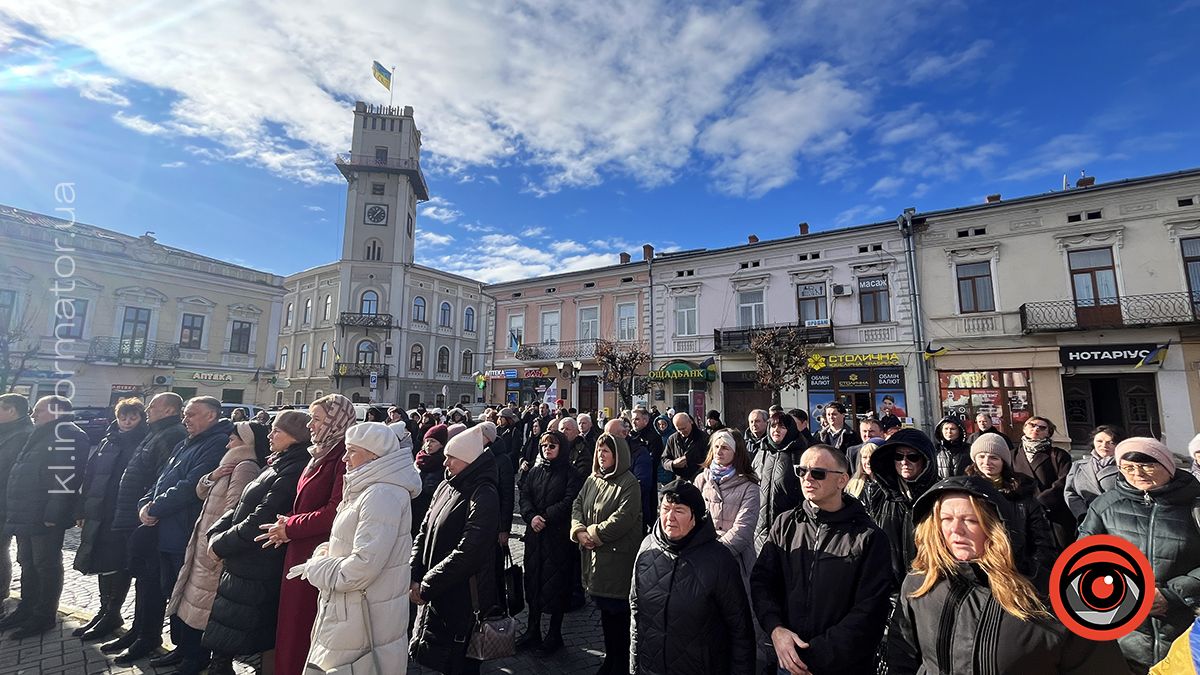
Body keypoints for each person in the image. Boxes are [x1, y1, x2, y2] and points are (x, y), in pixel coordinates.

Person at [889, 475, 1128, 674]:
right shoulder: (920, 584)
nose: (955, 530)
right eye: (946, 519)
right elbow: (903, 659)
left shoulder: (1054, 595)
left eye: (970, 520)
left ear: (996, 526)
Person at [288, 421, 421, 675]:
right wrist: (325, 552)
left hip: (361, 614)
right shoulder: (368, 487)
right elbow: (349, 543)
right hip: (353, 611)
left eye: (352, 451)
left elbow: (361, 567)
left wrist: (317, 569)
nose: (345, 458)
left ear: (373, 454)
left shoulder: (381, 494)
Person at [751, 444, 895, 675]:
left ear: (842, 480)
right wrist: (776, 630)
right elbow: (763, 582)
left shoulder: (868, 537)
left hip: (844, 665)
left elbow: (870, 611)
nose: (807, 478)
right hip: (788, 658)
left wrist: (813, 656)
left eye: (818, 473)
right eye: (802, 471)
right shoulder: (785, 523)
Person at [120, 396, 230, 666]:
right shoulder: (186, 442)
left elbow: (190, 486)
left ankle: (195, 655)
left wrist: (155, 508)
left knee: (189, 595)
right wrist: (145, 503)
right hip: (165, 530)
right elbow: (161, 480)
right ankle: (181, 649)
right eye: (186, 414)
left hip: (184, 531)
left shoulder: (215, 443)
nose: (185, 419)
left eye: (192, 414)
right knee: (172, 591)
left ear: (211, 417)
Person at [202, 411, 311, 675]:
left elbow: (261, 517)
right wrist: (217, 531)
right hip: (243, 558)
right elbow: (243, 504)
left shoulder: (294, 468)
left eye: (277, 431)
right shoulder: (278, 462)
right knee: (227, 630)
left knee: (242, 629)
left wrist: (220, 544)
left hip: (257, 561)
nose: (270, 435)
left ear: (295, 437)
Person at [1079, 438, 1200, 672]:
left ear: (1167, 465)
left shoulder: (1195, 504)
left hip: (1186, 624)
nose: (1137, 473)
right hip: (1126, 628)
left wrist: (1171, 594)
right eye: (1128, 467)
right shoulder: (1106, 505)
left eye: (1147, 465)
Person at [262, 394, 354, 675]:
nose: (310, 426)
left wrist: (290, 526)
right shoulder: (319, 452)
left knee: (301, 628)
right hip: (299, 547)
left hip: (316, 552)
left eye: (316, 419)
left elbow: (333, 511)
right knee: (291, 626)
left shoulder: (343, 456)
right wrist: (287, 524)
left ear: (335, 420)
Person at [165, 421, 267, 672]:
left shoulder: (244, 466)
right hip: (204, 539)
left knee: (203, 602)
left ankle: (195, 657)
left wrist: (217, 539)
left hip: (214, 544)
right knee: (193, 597)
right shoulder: (229, 463)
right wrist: (212, 476)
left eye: (233, 439)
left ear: (246, 443)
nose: (228, 443)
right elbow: (202, 492)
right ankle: (186, 651)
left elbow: (234, 509)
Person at [632, 480, 754, 674]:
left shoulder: (719, 560)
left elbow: (740, 630)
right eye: (665, 509)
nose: (670, 517)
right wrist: (634, 667)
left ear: (695, 517)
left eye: (679, 510)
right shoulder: (647, 548)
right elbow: (637, 613)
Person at [101, 393, 187, 658]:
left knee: (150, 580)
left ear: (169, 409)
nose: (148, 410)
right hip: (136, 514)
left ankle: (148, 635)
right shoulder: (155, 432)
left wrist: (150, 507)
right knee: (141, 577)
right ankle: (137, 630)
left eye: (153, 406)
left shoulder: (172, 434)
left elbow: (164, 478)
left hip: (149, 518)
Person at [410, 424, 501, 675]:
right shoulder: (446, 485)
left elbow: (470, 550)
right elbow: (424, 530)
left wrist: (427, 584)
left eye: (451, 458)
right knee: (442, 659)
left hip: (462, 594)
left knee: (460, 663)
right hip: (439, 590)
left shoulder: (484, 493)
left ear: (468, 460)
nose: (445, 463)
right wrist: (415, 571)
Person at [0, 395, 88, 639]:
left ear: (56, 412)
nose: (33, 414)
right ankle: (27, 608)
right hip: (27, 512)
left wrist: (54, 513)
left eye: (38, 410)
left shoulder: (67, 434)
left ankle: (44, 616)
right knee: (27, 562)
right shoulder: (41, 432)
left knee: (46, 565)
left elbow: (66, 478)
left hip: (44, 516)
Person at [72, 398, 149, 641]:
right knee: (102, 561)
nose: (127, 422)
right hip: (101, 511)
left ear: (141, 418)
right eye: (123, 417)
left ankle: (113, 612)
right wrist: (82, 509)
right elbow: (90, 475)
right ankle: (104, 610)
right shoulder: (108, 439)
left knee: (119, 563)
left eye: (133, 417)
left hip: (124, 513)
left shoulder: (143, 442)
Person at [571, 433, 642, 675]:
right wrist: (578, 530)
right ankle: (610, 658)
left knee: (618, 614)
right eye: (599, 451)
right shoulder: (593, 479)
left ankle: (620, 662)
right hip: (595, 559)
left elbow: (623, 518)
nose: (601, 456)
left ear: (618, 455)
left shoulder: (629, 483)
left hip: (617, 560)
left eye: (606, 452)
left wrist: (592, 534)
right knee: (605, 613)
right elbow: (578, 504)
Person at [516, 430, 584, 653]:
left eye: (552, 446)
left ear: (561, 448)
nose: (547, 449)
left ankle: (555, 634)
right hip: (535, 537)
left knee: (557, 585)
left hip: (558, 537)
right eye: (544, 446)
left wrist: (545, 517)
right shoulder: (535, 472)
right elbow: (524, 495)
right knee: (534, 581)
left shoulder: (570, 473)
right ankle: (532, 630)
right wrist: (531, 516)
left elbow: (570, 500)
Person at [964, 433, 1058, 591]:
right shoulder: (965, 492)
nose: (986, 462)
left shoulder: (1023, 495)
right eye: (981, 456)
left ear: (1004, 462)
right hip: (976, 577)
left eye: (994, 457)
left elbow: (1042, 541)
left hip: (1017, 576)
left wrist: (1028, 572)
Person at [867, 428, 939, 584]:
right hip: (890, 586)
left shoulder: (940, 495)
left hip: (930, 583)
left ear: (926, 459)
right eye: (898, 456)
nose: (904, 462)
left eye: (912, 457)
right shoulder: (881, 494)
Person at [693, 429, 759, 583]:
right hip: (700, 557)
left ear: (736, 452)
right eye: (716, 447)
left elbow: (744, 528)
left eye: (725, 448)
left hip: (735, 560)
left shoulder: (749, 486)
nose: (719, 452)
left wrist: (716, 552)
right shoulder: (701, 480)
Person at [1012, 416, 1076, 550]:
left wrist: (1042, 501)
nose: (1036, 429)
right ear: (1024, 428)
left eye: (1042, 428)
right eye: (1032, 425)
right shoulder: (1013, 455)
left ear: (1048, 433)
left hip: (1054, 513)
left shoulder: (1058, 455)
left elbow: (1065, 480)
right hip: (1024, 512)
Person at [752, 411, 807, 553]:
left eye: (782, 427)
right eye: (773, 426)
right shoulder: (762, 452)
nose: (776, 430)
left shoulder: (800, 455)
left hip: (790, 528)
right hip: (760, 529)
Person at [0, 393, 33, 621]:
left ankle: (2, 600)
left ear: (12, 411)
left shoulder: (24, 435)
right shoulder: (7, 432)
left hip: (6, 506)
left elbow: (14, 475)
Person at [1064, 424, 1123, 520]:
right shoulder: (1078, 465)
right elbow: (1070, 492)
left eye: (1111, 442)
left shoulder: (1126, 466)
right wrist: (1083, 514)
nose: (1104, 445)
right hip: (1088, 519)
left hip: (1119, 518)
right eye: (1099, 441)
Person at [413, 423, 449, 530]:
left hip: (430, 510)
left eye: (433, 441)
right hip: (413, 509)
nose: (428, 444)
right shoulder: (418, 460)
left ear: (442, 444)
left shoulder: (444, 463)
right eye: (427, 440)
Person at [662, 412, 709, 482]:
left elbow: (712, 458)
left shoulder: (704, 438)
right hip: (680, 481)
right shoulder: (672, 439)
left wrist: (703, 464)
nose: (682, 432)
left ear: (691, 422)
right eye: (679, 429)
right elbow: (664, 460)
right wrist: (673, 464)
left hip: (700, 480)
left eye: (684, 428)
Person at [845, 440, 883, 512]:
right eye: (865, 457)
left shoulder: (891, 488)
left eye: (872, 456)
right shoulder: (853, 485)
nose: (868, 462)